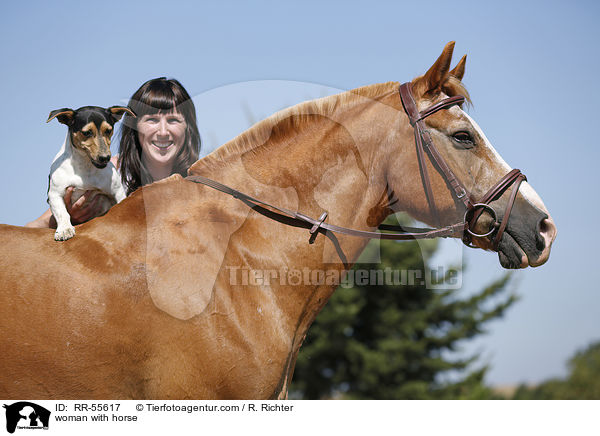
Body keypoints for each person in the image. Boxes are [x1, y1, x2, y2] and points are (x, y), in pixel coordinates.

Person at [26, 77, 201, 228]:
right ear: (135, 126)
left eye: (173, 120)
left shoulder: (202, 184)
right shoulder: (110, 171)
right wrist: (63, 220)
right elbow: (32, 228)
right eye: (152, 120)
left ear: (188, 127)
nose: (163, 132)